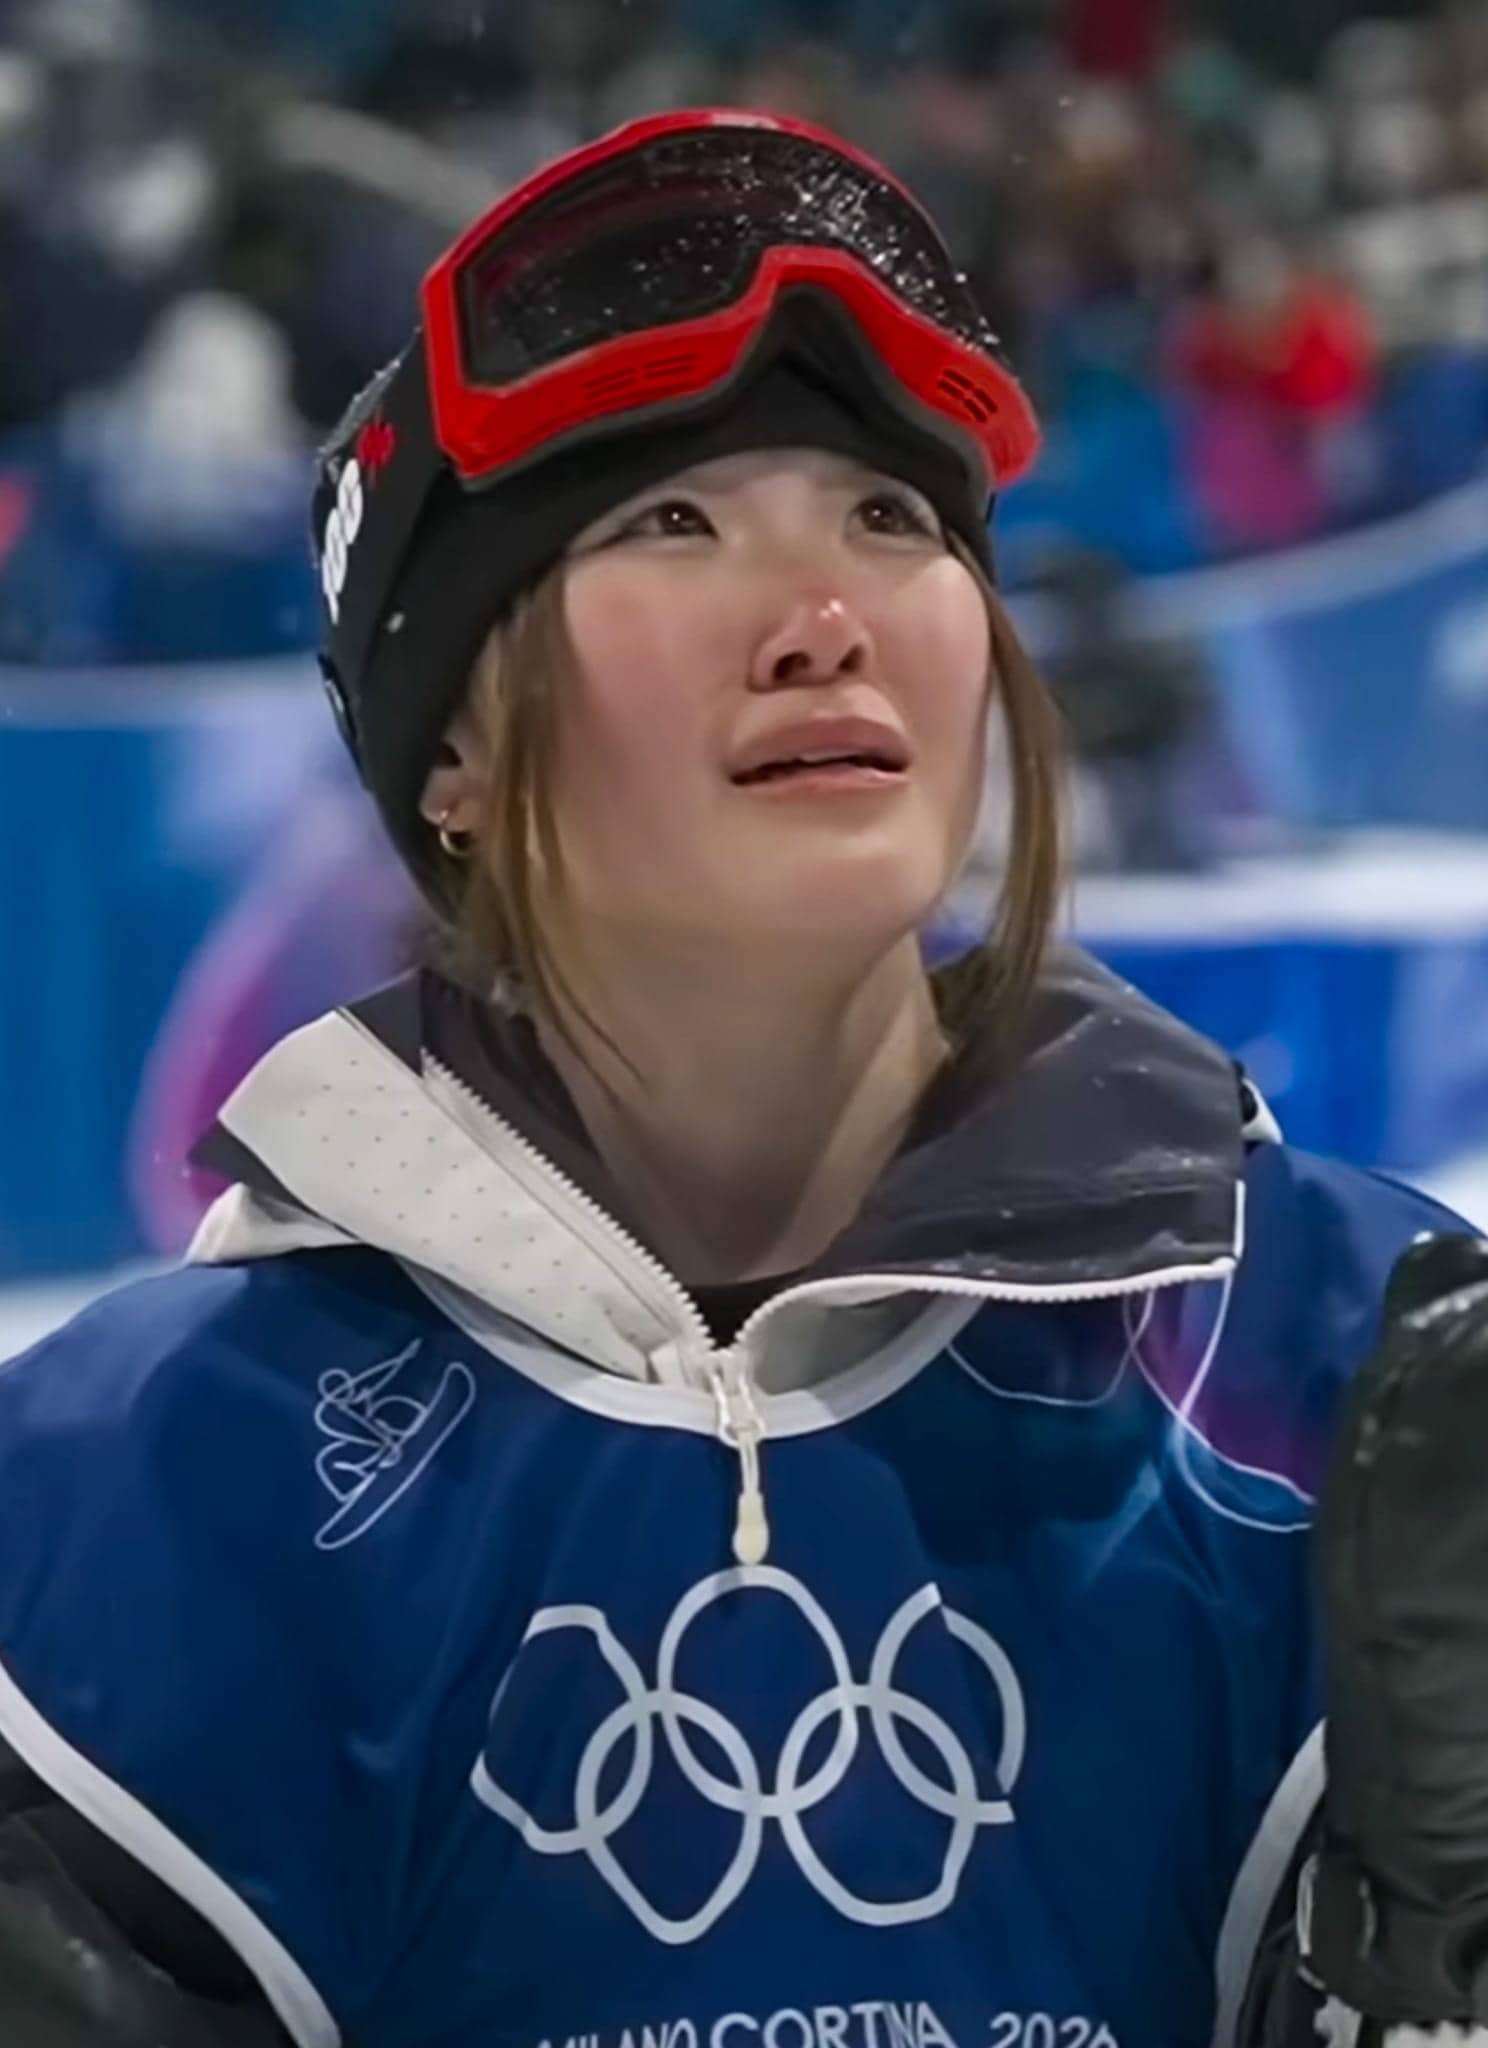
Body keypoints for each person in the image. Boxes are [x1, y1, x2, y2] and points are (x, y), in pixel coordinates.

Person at [0, 107, 1479, 2048]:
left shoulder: (1350, 1375)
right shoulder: (130, 1510)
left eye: (894, 519)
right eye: (672, 523)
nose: (826, 617)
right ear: (453, 747)